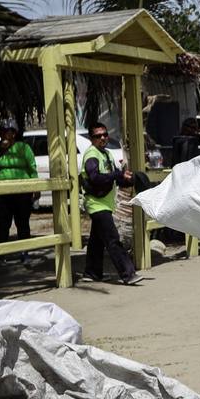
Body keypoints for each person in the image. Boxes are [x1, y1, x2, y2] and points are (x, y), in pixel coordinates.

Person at [79, 122, 142, 285]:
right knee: (113, 239)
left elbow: (114, 177)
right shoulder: (91, 154)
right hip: (96, 204)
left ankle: (92, 273)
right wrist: (116, 174)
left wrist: (125, 178)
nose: (102, 138)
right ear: (91, 138)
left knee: (97, 240)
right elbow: (95, 177)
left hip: (106, 203)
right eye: (98, 136)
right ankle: (128, 274)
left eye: (105, 134)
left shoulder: (106, 154)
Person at [0, 121, 37, 245]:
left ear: (13, 133)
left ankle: (24, 252)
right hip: (2, 192)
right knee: (3, 223)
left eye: (6, 131)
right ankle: (1, 255)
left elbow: (32, 168)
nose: (3, 133)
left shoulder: (23, 148)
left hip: (22, 192)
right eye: (1, 131)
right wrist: (0, 151)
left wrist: (36, 188)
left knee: (22, 223)